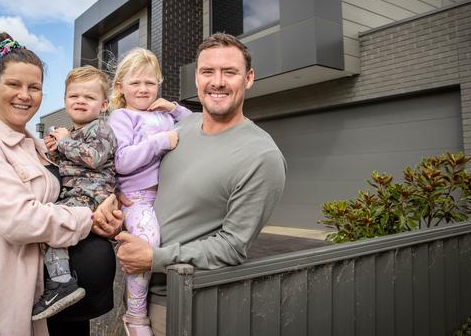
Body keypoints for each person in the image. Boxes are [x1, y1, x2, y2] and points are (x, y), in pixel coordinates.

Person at [115, 33, 287, 336]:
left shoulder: (262, 156)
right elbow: (136, 173)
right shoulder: (181, 126)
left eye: (229, 72)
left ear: (248, 78)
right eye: (208, 71)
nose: (217, 82)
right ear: (197, 78)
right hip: (135, 296)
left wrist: (155, 258)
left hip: (188, 305)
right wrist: (113, 199)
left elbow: (232, 247)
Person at [0, 32, 123, 336]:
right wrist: (91, 218)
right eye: (13, 85)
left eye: (34, 87)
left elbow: (84, 185)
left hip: (70, 307)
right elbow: (21, 221)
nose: (24, 95)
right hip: (21, 302)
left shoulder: (41, 147)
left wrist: (111, 217)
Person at [107, 48, 192, 335]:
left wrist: (173, 108)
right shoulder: (122, 117)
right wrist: (160, 142)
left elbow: (193, 123)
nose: (143, 89)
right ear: (121, 87)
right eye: (135, 83)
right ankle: (136, 315)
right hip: (139, 198)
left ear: (159, 83)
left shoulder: (163, 114)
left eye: (150, 82)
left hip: (167, 196)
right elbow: (122, 161)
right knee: (147, 241)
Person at [32, 65, 117, 321]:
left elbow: (94, 158)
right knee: (51, 229)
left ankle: (61, 283)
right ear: (65, 100)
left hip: (91, 196)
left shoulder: (101, 129)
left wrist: (64, 141)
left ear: (103, 105)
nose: (80, 101)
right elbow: (69, 164)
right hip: (75, 195)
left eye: (89, 97)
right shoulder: (75, 132)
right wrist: (54, 150)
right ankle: (61, 281)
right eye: (74, 96)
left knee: (52, 224)